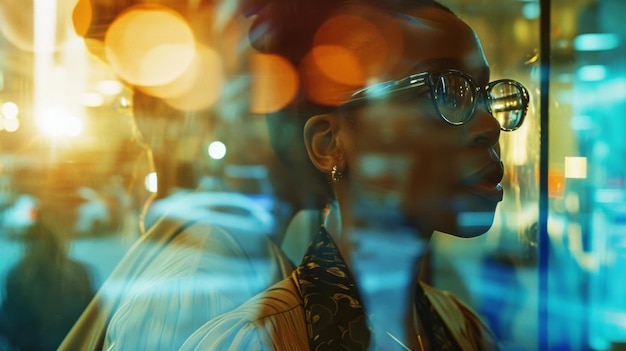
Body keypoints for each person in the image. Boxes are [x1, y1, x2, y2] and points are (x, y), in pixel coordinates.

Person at [179, 0, 530, 350]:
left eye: (484, 96)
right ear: (329, 143)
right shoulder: (255, 341)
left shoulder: (465, 330)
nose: (489, 125)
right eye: (445, 91)